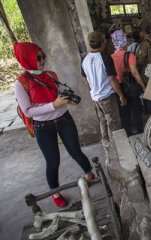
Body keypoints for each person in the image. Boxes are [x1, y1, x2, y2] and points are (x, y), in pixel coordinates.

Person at [13, 42, 94, 208]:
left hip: (64, 119)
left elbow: (57, 96)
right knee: (53, 161)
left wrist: (66, 102)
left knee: (76, 151)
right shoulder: (21, 83)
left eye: (43, 56)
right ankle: (55, 192)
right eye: (38, 58)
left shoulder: (50, 75)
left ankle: (89, 174)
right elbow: (28, 111)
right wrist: (53, 105)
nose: (43, 60)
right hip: (43, 127)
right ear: (27, 60)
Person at [81, 31, 126, 146]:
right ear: (102, 43)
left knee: (103, 122)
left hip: (95, 98)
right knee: (113, 123)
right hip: (107, 97)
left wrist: (94, 90)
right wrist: (121, 95)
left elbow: (85, 79)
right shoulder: (105, 58)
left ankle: (106, 144)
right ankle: (117, 148)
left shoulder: (84, 59)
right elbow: (112, 80)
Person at [111, 30, 146, 136]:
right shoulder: (129, 55)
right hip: (131, 86)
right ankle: (140, 131)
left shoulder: (111, 57)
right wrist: (142, 84)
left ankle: (128, 133)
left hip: (119, 87)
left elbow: (112, 76)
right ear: (124, 41)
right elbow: (134, 72)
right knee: (136, 109)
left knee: (124, 111)